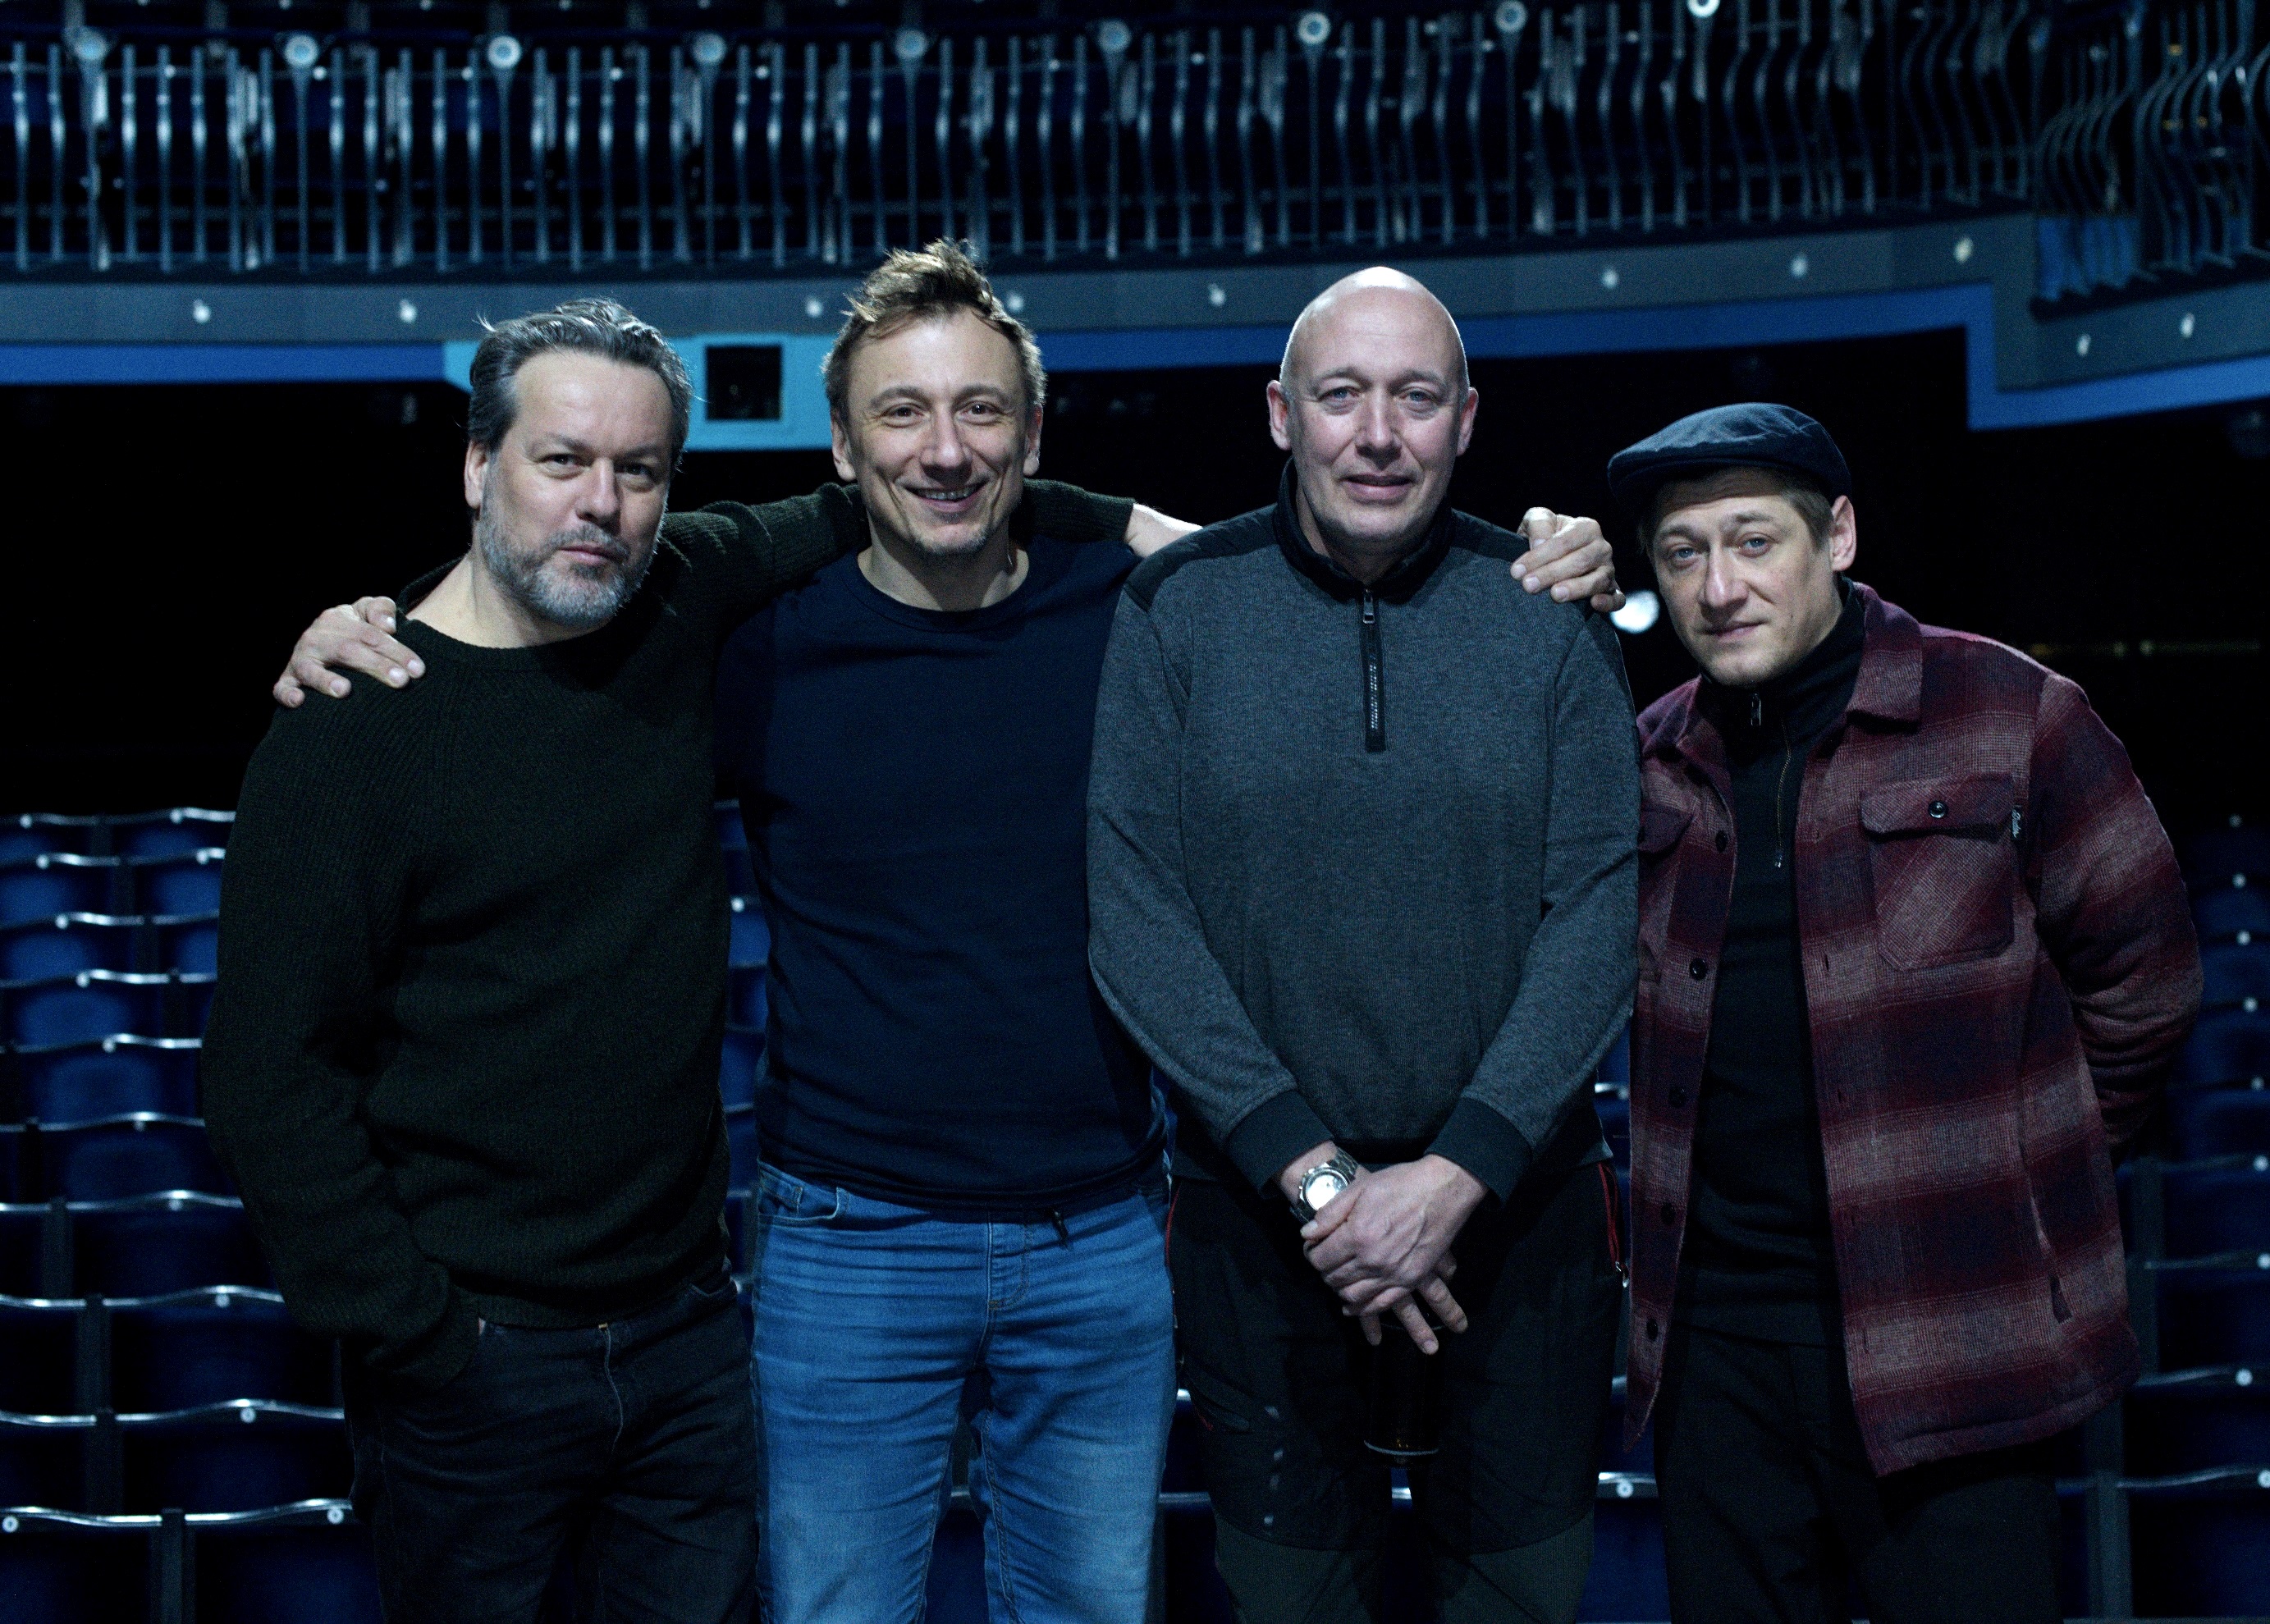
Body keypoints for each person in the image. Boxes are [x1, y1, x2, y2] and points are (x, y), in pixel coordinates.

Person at [262, 257, 1629, 1623]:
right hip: (845, 1244)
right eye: (900, 413)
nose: (944, 449)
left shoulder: (1137, 608)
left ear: (1031, 437)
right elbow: (542, 606)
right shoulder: (752, 639)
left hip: (1095, 1238)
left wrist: (1548, 554)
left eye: (981, 411)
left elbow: (1297, 600)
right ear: (841, 444)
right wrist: (386, 623)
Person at [199, 298, 1133, 1623]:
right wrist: (417, 1333)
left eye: (639, 471)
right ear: (477, 464)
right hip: (472, 1364)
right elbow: (266, 1078)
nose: (602, 502)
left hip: (687, 1339)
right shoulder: (355, 722)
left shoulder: (677, 595)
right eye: (562, 460)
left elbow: (921, 488)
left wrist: (1152, 527)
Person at [1086, 267, 1639, 1624]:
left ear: (1466, 418)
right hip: (1262, 1220)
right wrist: (1321, 1180)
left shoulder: (1551, 609)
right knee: (1289, 1604)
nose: (1377, 434)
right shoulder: (1175, 607)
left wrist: (1455, 1174)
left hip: (1519, 1211)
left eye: (1414, 397)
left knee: (1520, 1602)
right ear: (1282, 414)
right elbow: (1135, 910)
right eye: (1340, 396)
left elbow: (1598, 910)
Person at [1609, 403, 2202, 1624]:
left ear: (1836, 535)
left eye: (1753, 541)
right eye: (1682, 554)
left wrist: (2023, 1170)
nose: (1718, 587)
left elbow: (2146, 978)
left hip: (1956, 1333)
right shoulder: (1645, 762)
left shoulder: (2010, 712)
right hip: (1715, 1360)